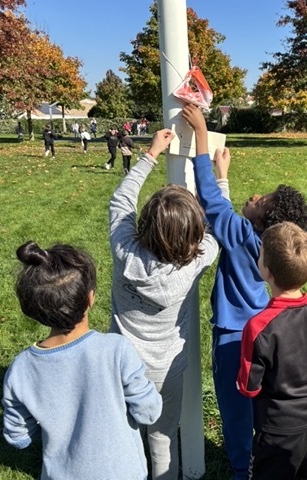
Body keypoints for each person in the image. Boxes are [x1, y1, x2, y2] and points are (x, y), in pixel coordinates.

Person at [182, 103, 307, 480]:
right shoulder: (264, 244)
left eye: (262, 201)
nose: (255, 196)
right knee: (259, 402)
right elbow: (225, 211)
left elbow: (211, 201)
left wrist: (201, 135)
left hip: (231, 340)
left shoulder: (240, 235)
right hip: (265, 332)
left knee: (235, 408)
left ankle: (243, 470)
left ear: (264, 220)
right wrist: (224, 173)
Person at [108, 128, 219, 479]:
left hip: (122, 367)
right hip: (166, 371)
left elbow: (120, 201)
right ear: (193, 234)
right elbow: (215, 229)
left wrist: (150, 154)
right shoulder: (196, 262)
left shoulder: (124, 249)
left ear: (144, 223)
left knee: (126, 433)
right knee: (163, 436)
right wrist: (220, 182)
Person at [2, 241, 162, 480]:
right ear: (90, 298)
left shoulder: (21, 368)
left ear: (34, 309)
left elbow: (18, 437)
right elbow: (148, 412)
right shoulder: (116, 350)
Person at [237, 221, 307, 480]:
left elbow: (249, 386)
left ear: (267, 271)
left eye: (261, 254)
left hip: (277, 429)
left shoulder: (258, 327)